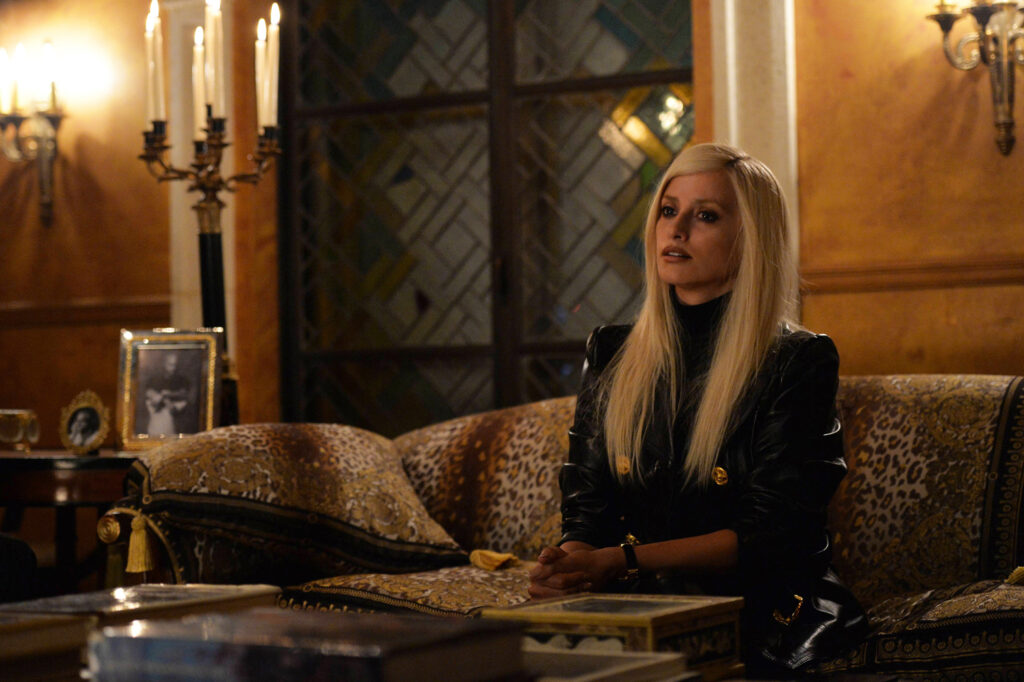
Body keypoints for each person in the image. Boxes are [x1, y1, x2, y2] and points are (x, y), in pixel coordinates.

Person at [528, 142, 868, 676]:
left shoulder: (798, 360)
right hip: (639, 597)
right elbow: (587, 505)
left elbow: (770, 534)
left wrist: (618, 561)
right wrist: (569, 566)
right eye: (669, 210)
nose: (677, 229)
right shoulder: (612, 350)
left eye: (705, 215)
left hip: (767, 610)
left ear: (750, 236)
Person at [143, 351, 194, 436]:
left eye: (175, 365)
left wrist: (169, 395)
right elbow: (149, 392)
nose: (173, 368)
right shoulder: (155, 379)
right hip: (157, 416)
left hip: (175, 417)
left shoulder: (182, 380)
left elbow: (185, 394)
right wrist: (160, 398)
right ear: (164, 363)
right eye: (170, 365)